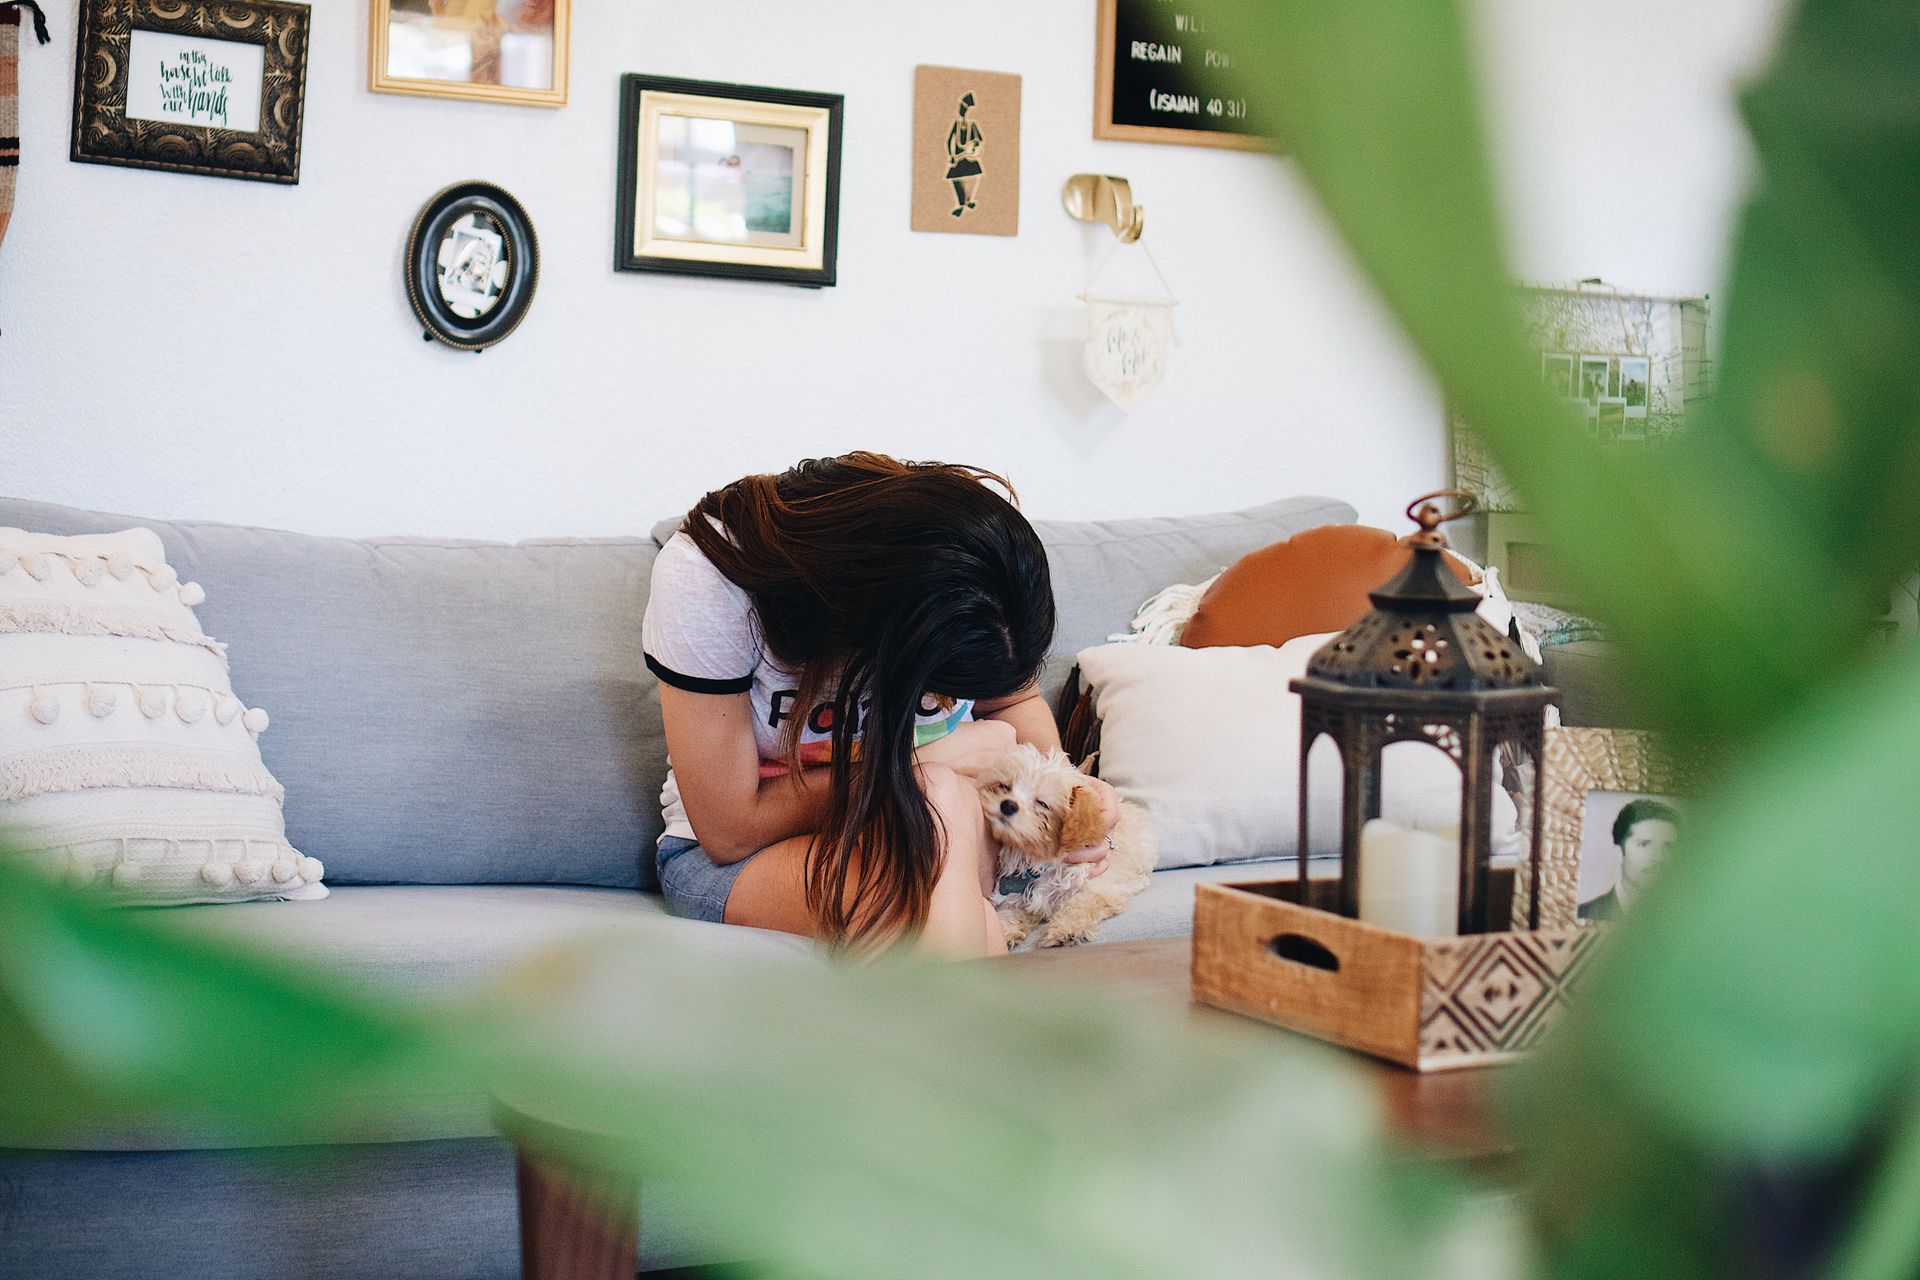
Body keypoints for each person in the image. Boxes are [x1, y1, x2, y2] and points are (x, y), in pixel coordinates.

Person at [641, 453, 1118, 957]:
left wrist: (1068, 792)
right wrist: (920, 765)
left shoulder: (973, 570)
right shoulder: (711, 578)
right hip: (748, 857)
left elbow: (1012, 700)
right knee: (940, 829)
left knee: (939, 815)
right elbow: (731, 831)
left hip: (947, 831)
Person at [1579, 797, 1678, 921]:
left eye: (1668, 847)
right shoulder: (1584, 915)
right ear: (1619, 852)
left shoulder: (1693, 919)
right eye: (1644, 844)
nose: (1659, 857)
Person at [945, 93, 984, 216]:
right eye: (960, 107)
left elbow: (979, 139)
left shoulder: (972, 125)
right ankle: (962, 203)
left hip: (969, 156)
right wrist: (951, 155)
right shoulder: (956, 124)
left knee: (975, 175)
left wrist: (974, 146)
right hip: (958, 157)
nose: (961, 110)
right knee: (955, 178)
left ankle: (968, 200)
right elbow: (949, 140)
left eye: (963, 107)